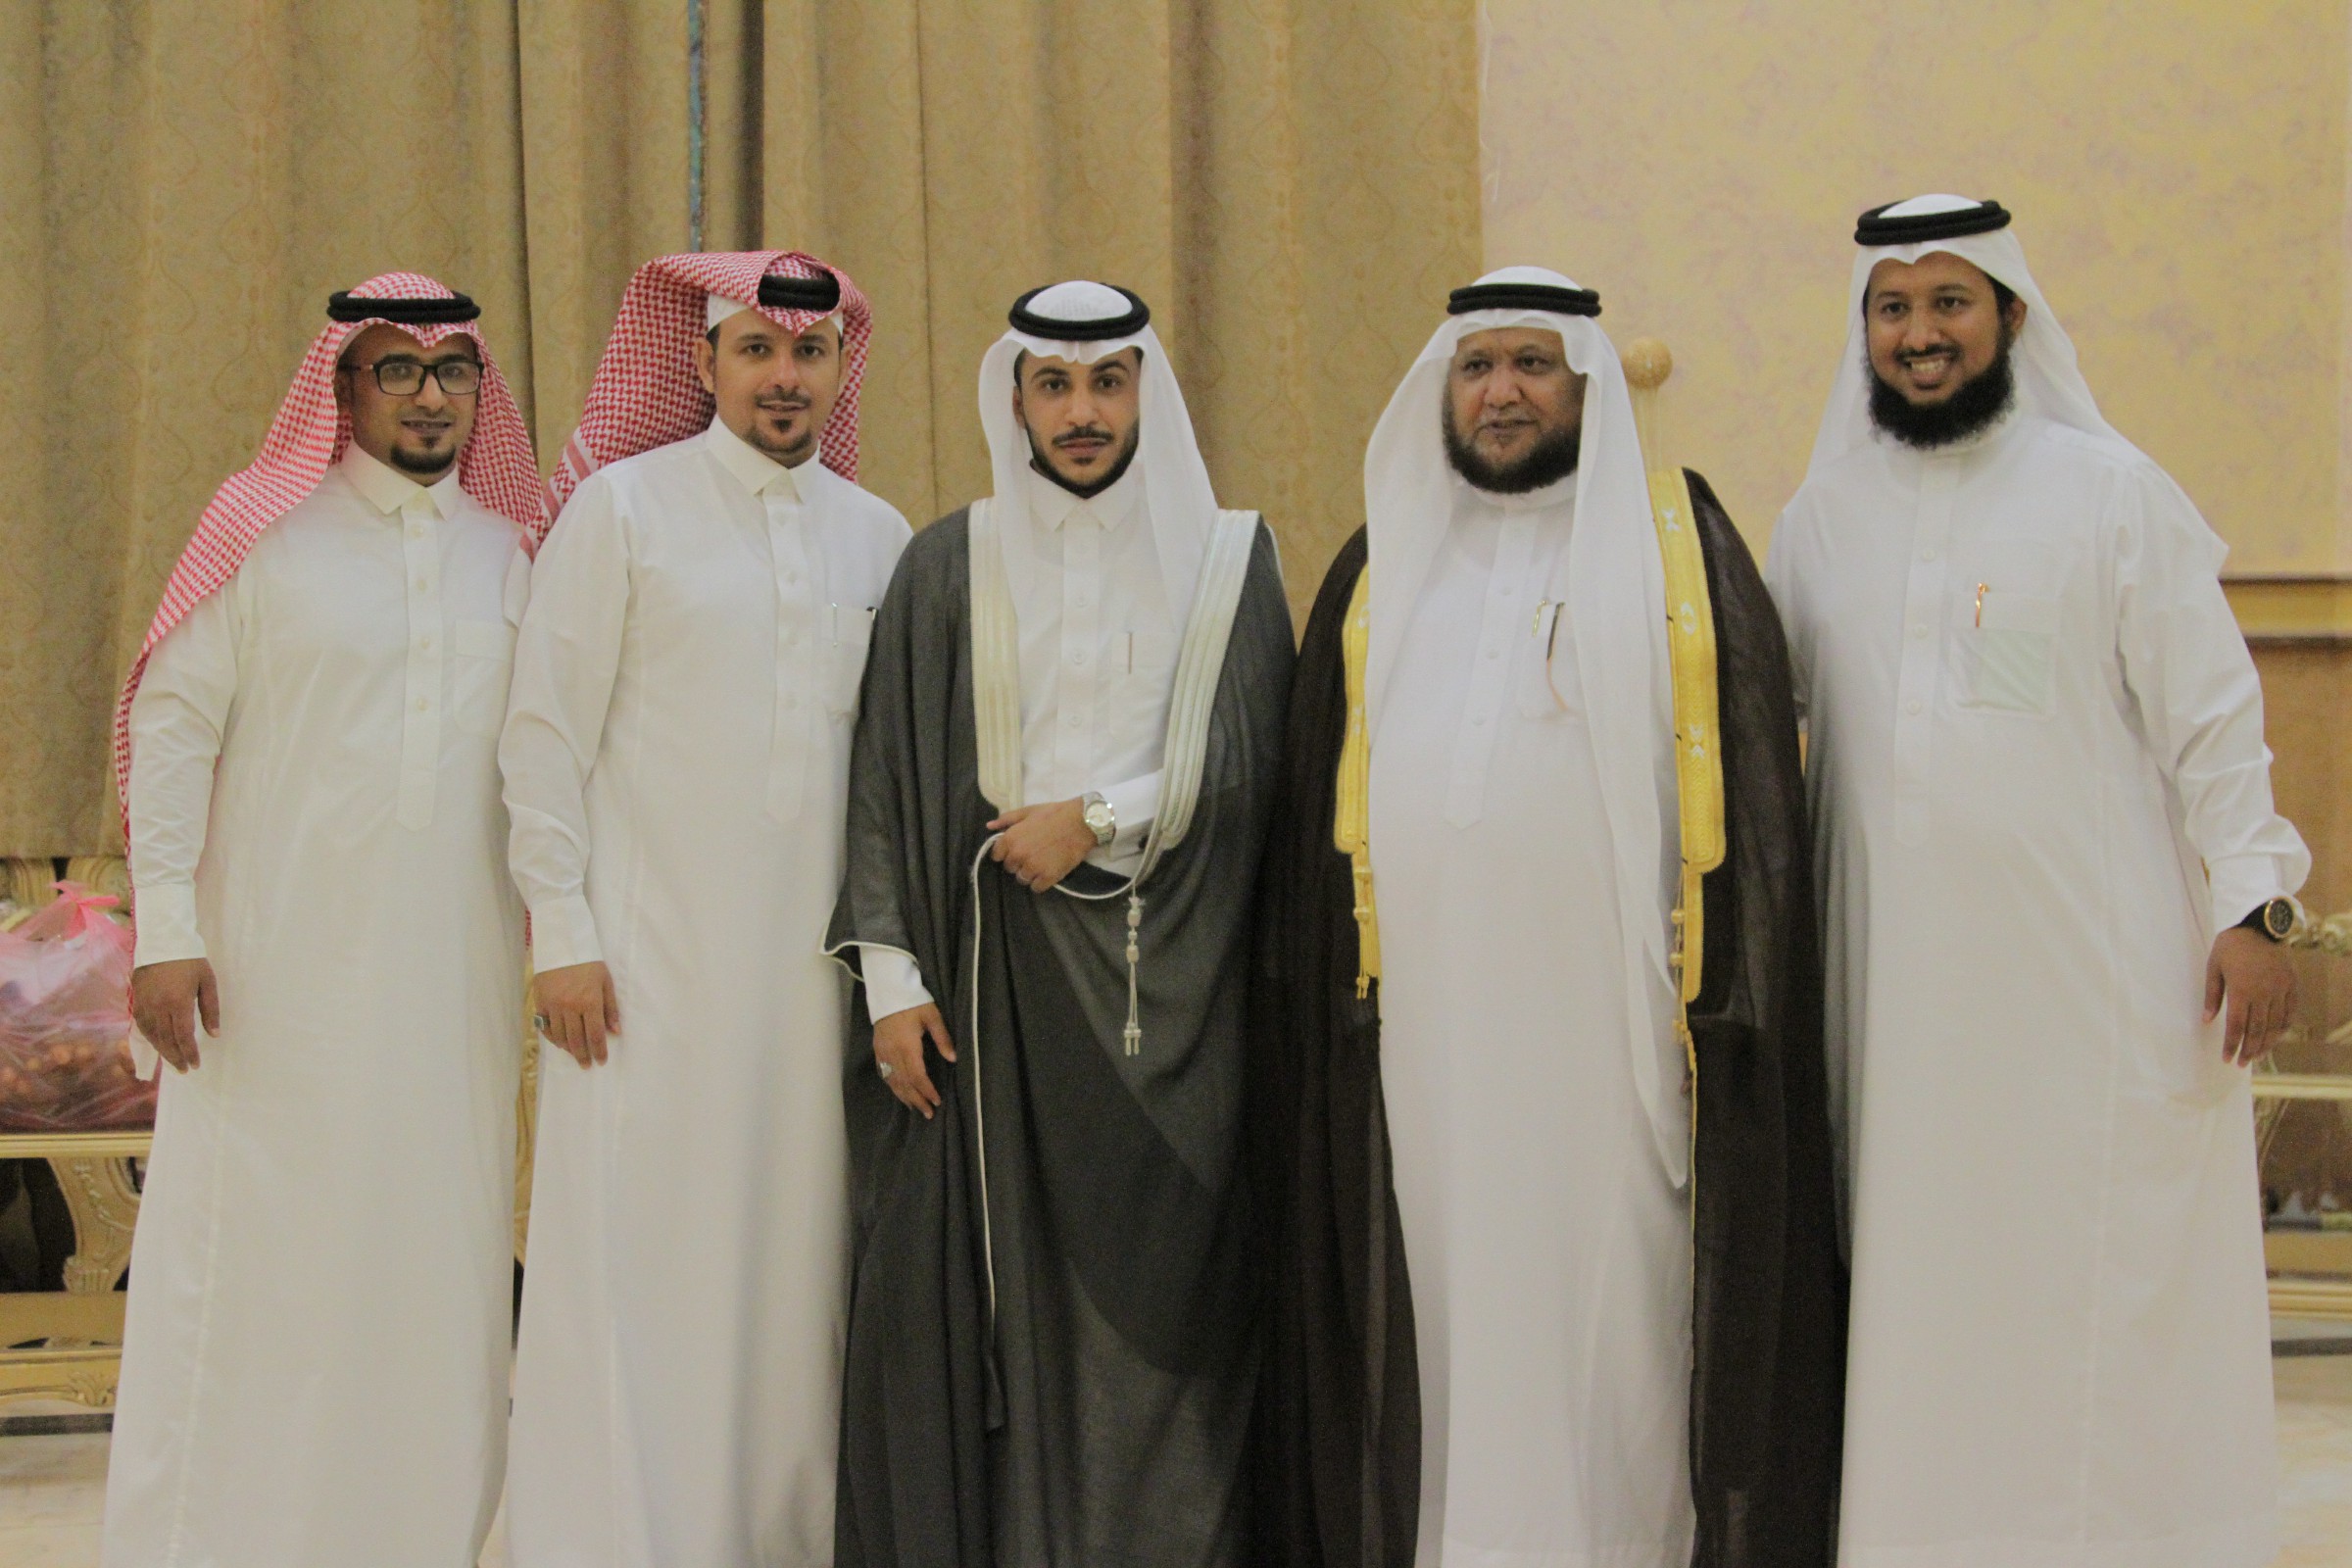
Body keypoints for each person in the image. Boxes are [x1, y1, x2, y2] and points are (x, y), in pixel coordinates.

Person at [1252, 268, 1846, 1568]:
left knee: (1613, 1322)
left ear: (1586, 382)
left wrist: (1722, 1020)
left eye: (1533, 364)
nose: (1502, 393)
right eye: (1478, 367)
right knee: (1439, 1317)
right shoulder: (1379, 563)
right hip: (1422, 1054)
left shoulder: (1675, 547)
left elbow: (1754, 793)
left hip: (1611, 1045)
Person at [1764, 195, 2310, 1568]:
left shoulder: (2109, 493)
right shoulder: (1820, 521)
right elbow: (1762, 736)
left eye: (1950, 303)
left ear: (2010, 315)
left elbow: (2213, 716)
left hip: (2091, 987)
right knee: (1921, 1282)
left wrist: (2253, 907)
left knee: (2087, 1278)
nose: (1921, 335)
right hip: (1895, 1001)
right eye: (1894, 309)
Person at [825, 280, 1293, 1568]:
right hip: (989, 993)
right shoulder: (948, 562)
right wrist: (891, 985)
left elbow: (1258, 758)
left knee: (1175, 1294)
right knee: (1001, 1300)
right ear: (1017, 401)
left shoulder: (1228, 557)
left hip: (1182, 993)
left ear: (1145, 392)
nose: (1082, 412)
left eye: (1107, 383)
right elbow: (883, 779)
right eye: (1055, 385)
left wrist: (1093, 817)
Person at [107, 273, 547, 1568]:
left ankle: (413, 1535)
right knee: (260, 1256)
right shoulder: (262, 533)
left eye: (452, 371)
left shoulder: (514, 551)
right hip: (267, 977)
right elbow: (171, 726)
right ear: (343, 386)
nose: (429, 396)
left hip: (451, 983)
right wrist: (164, 928)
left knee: (433, 1258)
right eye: (397, 369)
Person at [499, 251, 909, 1567]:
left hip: (808, 999)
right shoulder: (622, 510)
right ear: (701, 362)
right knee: (640, 1267)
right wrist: (562, 938)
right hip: (642, 981)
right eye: (757, 350)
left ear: (839, 370)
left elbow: (892, 786)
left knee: (791, 1282)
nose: (785, 377)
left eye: (809, 354)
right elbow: (540, 737)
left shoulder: (881, 536)